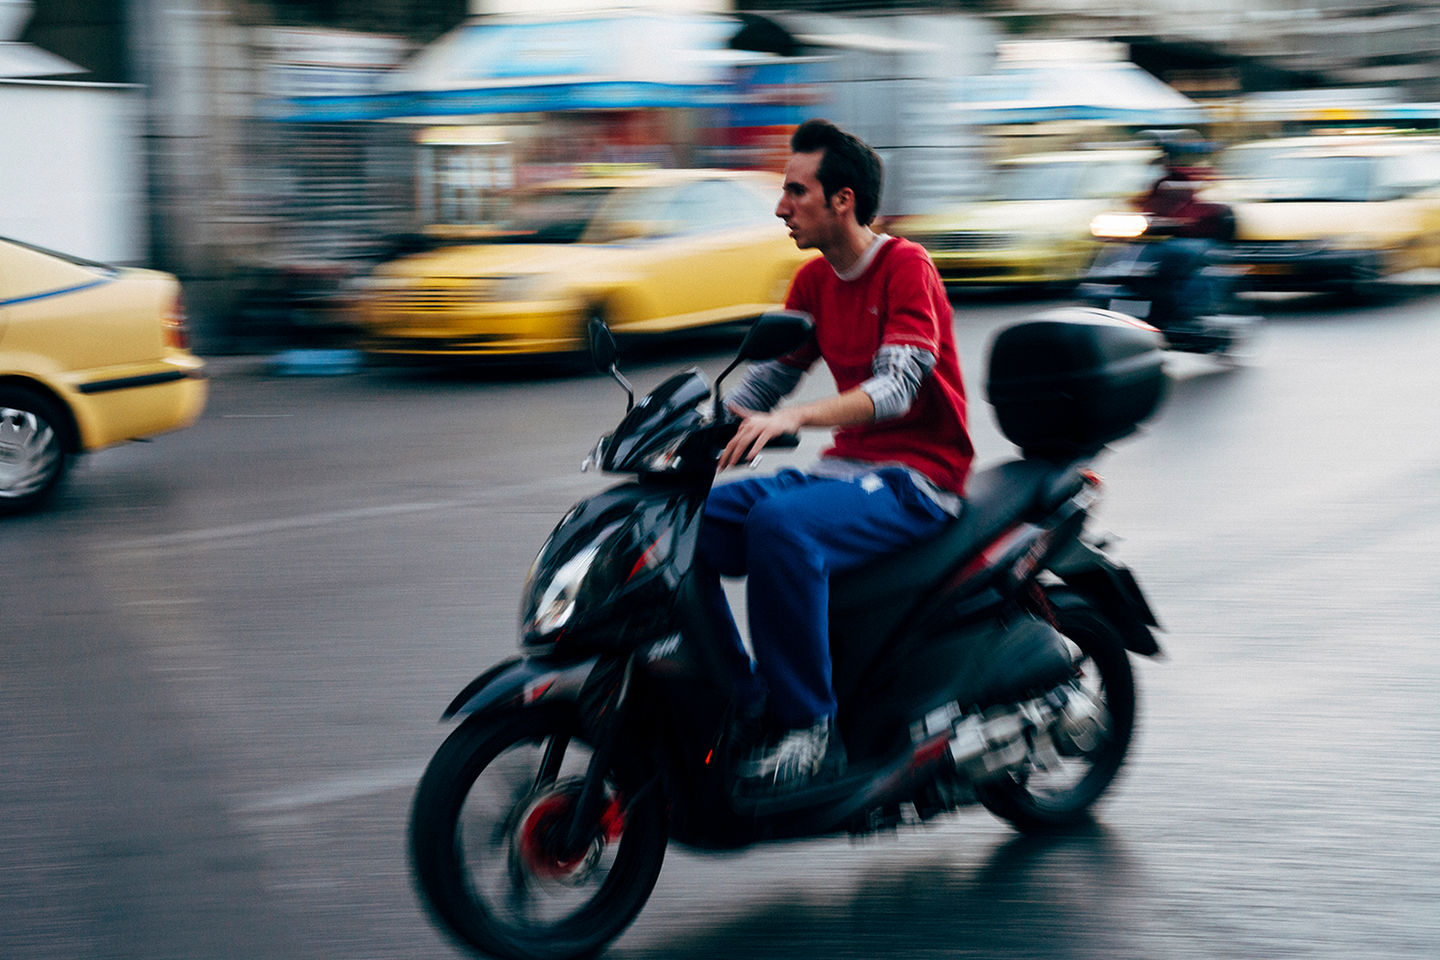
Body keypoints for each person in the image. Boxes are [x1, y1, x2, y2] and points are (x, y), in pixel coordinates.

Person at [696, 119, 975, 795]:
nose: (780, 206)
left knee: (780, 527)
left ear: (841, 200)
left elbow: (896, 388)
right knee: (690, 521)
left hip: (918, 477)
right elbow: (767, 382)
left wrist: (794, 417)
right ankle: (744, 699)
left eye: (796, 190)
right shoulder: (813, 284)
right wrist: (691, 425)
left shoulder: (906, 266)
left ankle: (809, 730)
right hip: (847, 471)